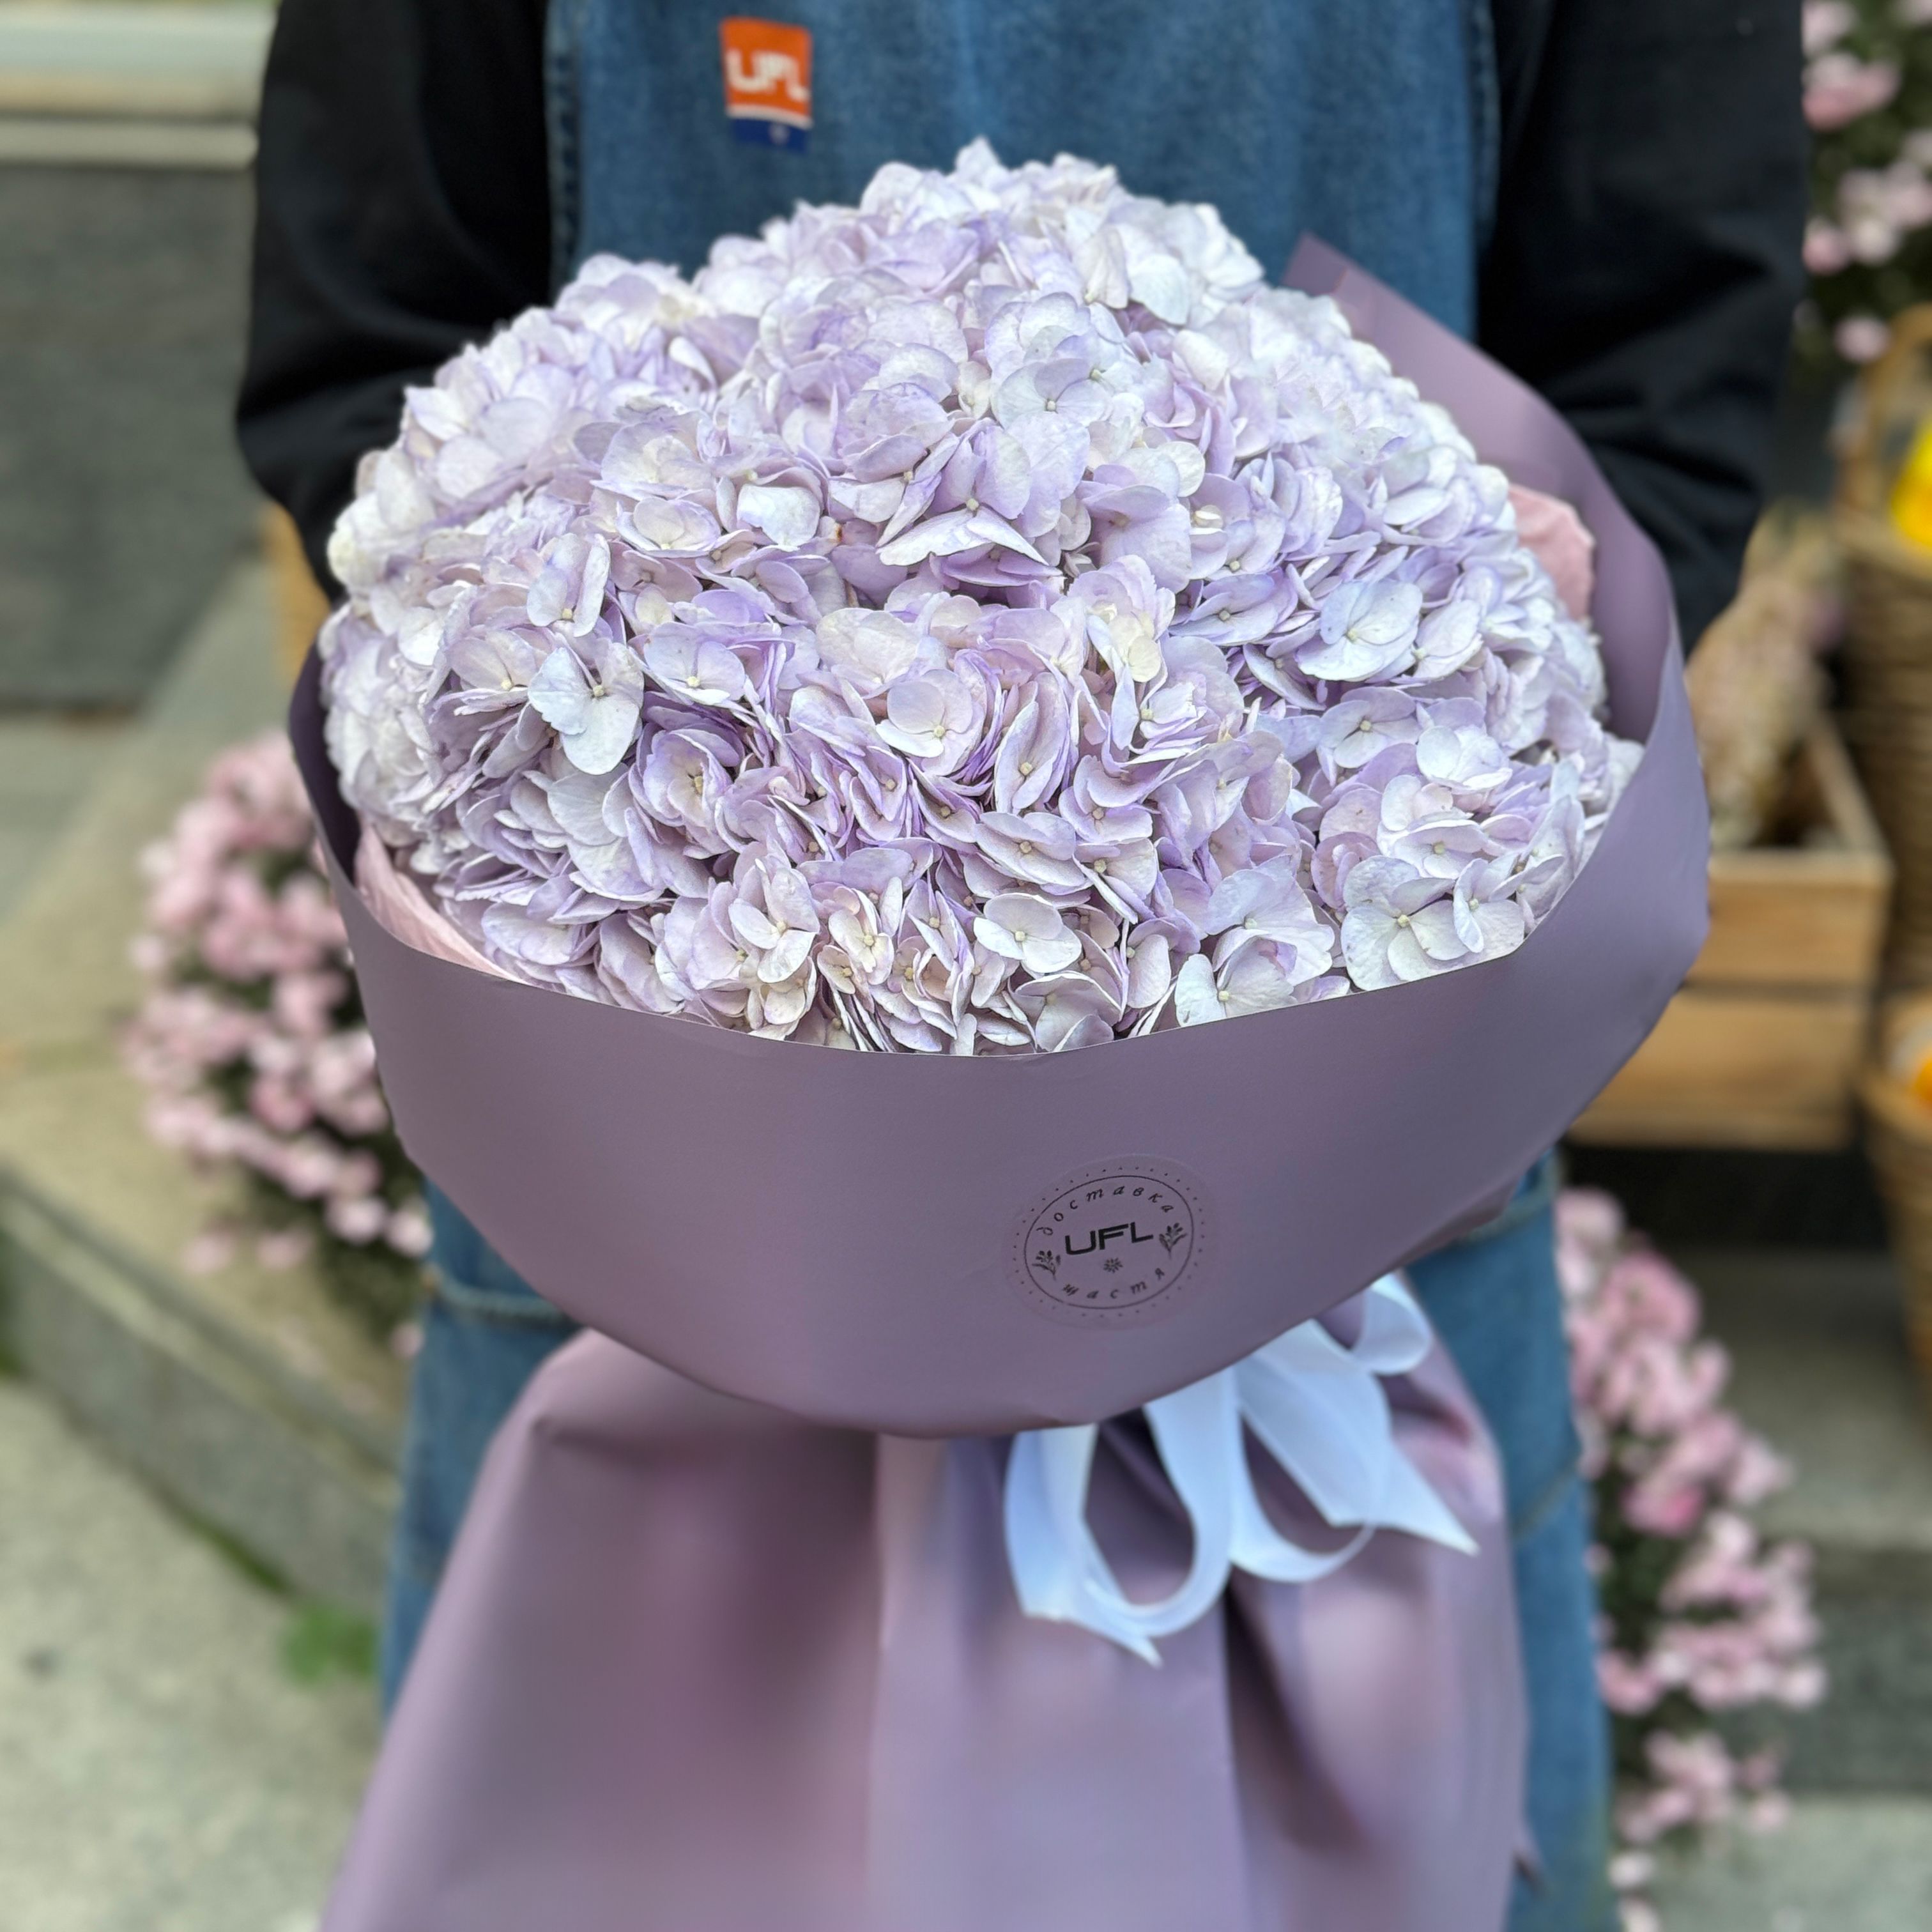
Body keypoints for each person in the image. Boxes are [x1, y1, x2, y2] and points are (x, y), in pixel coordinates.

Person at [238, 6, 1805, 1927]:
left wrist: (1442, 739)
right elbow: (363, 344)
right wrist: (628, 817)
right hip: (633, 1247)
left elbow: (1661, 359)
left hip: (1367, 1229)